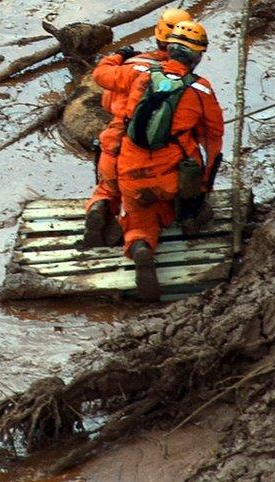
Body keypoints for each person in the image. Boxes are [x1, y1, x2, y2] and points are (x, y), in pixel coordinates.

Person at [89, 20, 224, 301]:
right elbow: (213, 140)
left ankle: (140, 246)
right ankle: (189, 215)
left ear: (168, 47)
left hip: (130, 168)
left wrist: (118, 55)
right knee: (187, 167)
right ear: (197, 56)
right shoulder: (202, 90)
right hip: (172, 176)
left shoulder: (139, 72)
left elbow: (101, 76)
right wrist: (203, 187)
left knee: (139, 220)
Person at [83, 8, 192, 248]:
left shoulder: (134, 65)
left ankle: (100, 206)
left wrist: (119, 55)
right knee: (145, 207)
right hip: (142, 157)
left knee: (107, 187)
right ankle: (141, 235)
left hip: (112, 145)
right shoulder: (181, 78)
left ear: (158, 35)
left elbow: (104, 88)